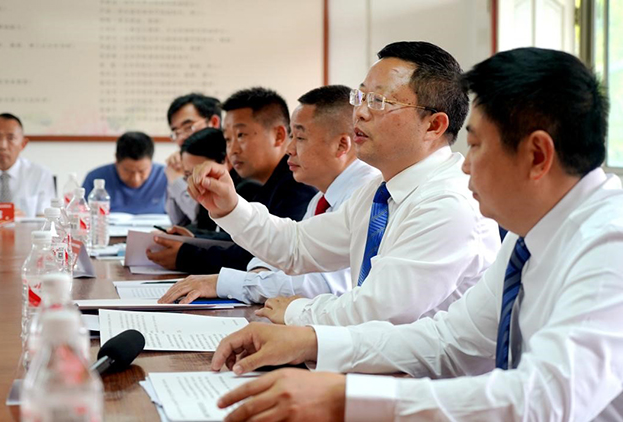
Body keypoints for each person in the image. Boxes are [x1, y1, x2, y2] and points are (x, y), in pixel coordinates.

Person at [208, 47, 623, 422]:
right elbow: (449, 340)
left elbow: (542, 400)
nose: (465, 165)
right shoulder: (532, 235)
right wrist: (312, 342)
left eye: (476, 144)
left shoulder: (618, 243)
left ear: (537, 156)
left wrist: (346, 398)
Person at [185, 41, 500, 326]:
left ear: (434, 125)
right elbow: (297, 246)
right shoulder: (379, 191)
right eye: (360, 97)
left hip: (417, 370)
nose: (359, 113)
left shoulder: (448, 203)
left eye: (378, 101)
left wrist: (295, 312)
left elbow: (380, 311)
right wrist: (230, 207)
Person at [158, 85, 379, 307]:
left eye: (300, 137)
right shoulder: (322, 197)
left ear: (341, 145)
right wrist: (230, 211)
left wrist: (227, 283)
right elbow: (292, 250)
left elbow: (322, 285)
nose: (289, 148)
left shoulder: (368, 195)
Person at [147, 87, 318, 274]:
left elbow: (266, 255)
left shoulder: (298, 186)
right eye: (228, 139)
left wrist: (185, 256)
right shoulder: (269, 183)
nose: (233, 149)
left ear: (278, 136)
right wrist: (194, 237)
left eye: (241, 135)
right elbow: (246, 239)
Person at [164, 93, 224, 225]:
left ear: (214, 122)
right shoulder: (182, 161)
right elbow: (179, 221)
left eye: (188, 127)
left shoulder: (227, 158)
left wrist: (176, 181)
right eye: (176, 132)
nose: (181, 138)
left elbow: (202, 219)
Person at [81, 131, 167, 215]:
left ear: (151, 162)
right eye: (128, 171)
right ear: (117, 160)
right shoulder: (95, 179)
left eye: (142, 171)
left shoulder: (167, 176)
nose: (135, 179)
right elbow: (82, 215)